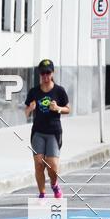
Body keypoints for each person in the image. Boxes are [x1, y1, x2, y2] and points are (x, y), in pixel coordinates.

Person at [24, 59, 70, 199]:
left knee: (52, 166)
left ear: (52, 73)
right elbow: (26, 113)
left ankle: (54, 184)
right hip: (38, 132)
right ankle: (42, 194)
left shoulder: (59, 91)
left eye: (48, 73)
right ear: (39, 74)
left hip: (54, 133)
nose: (45, 76)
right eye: (43, 73)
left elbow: (68, 109)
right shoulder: (34, 92)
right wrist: (30, 108)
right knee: (39, 164)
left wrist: (57, 108)